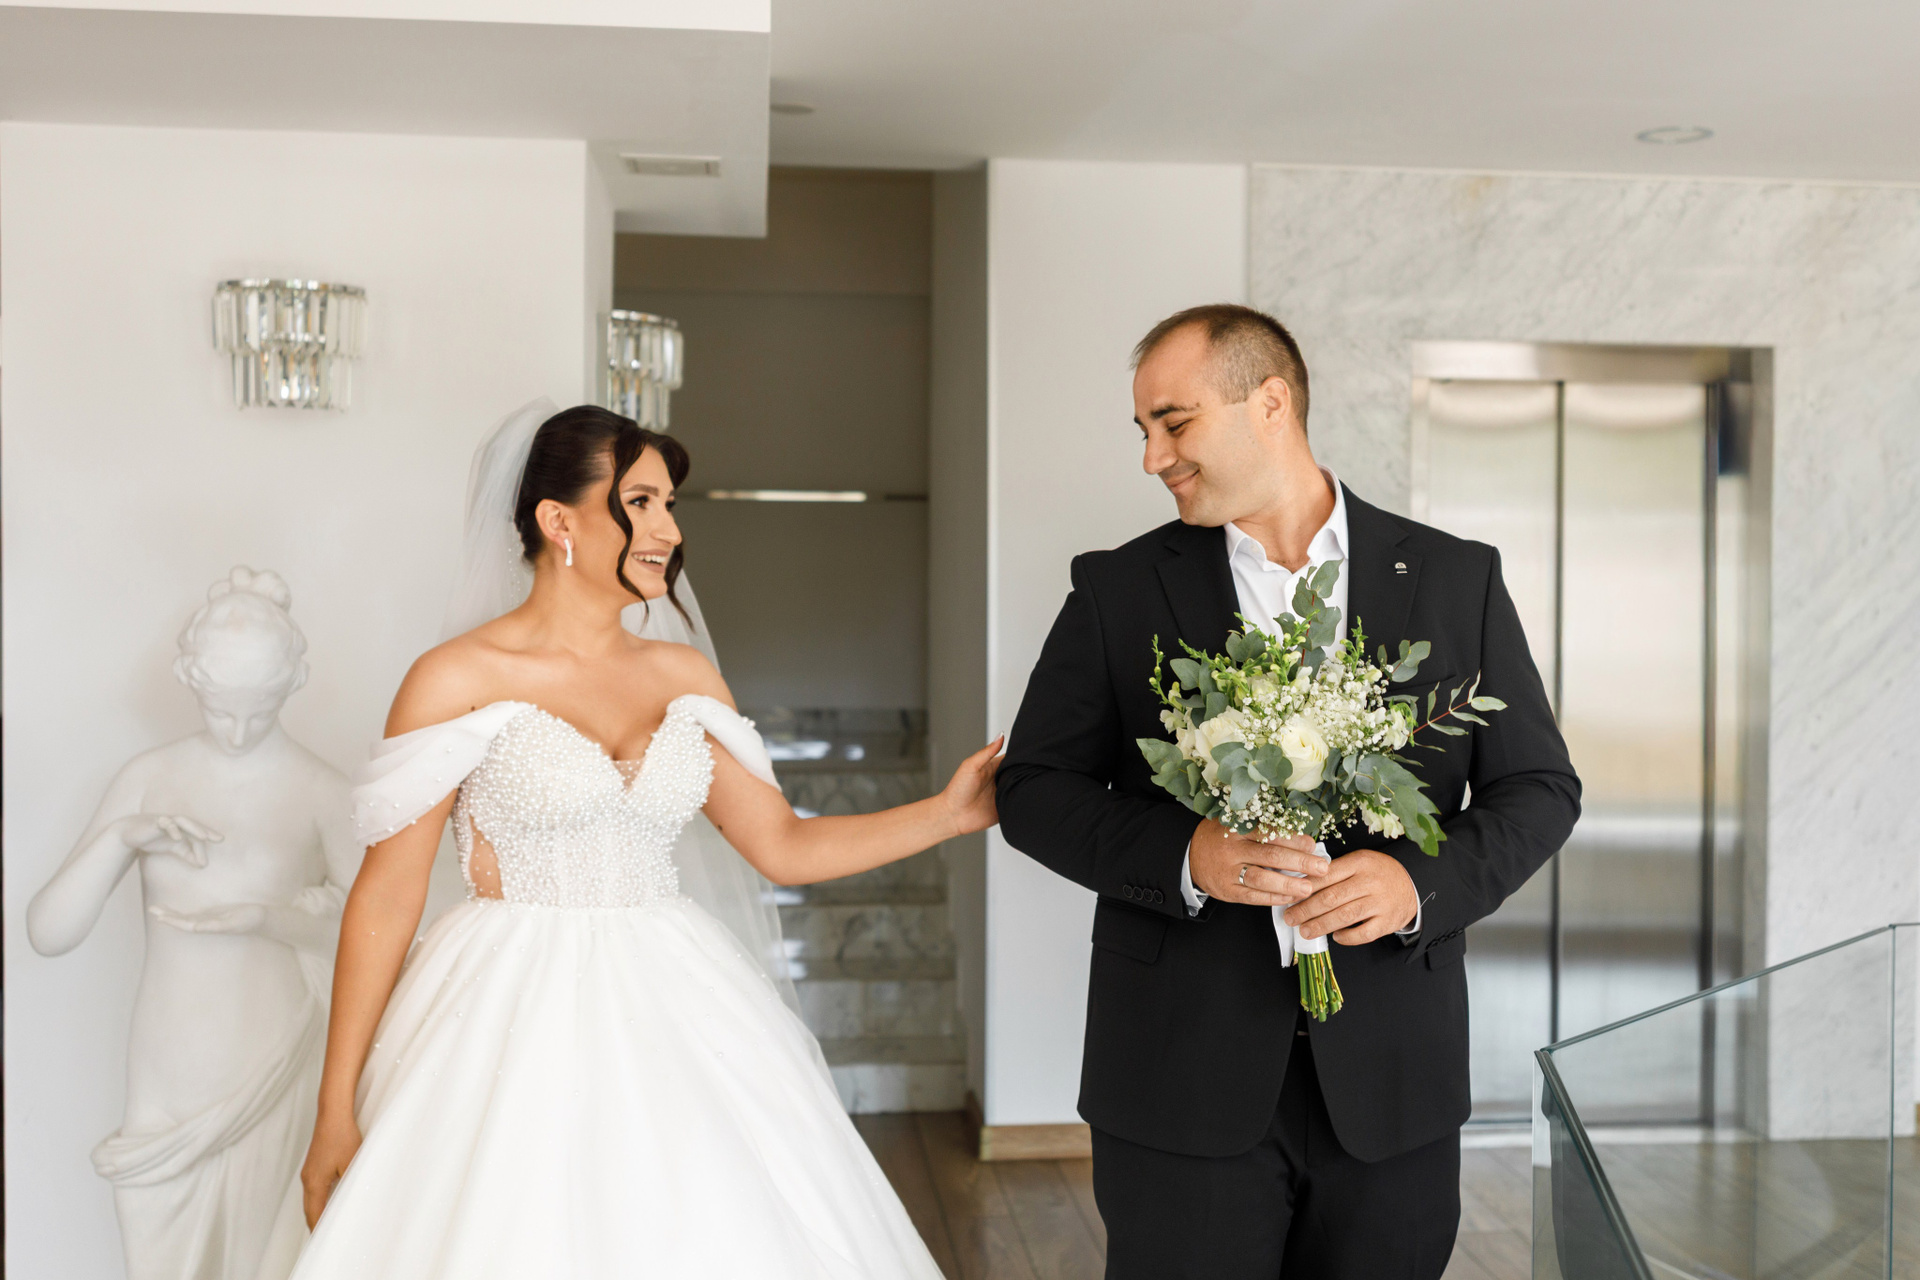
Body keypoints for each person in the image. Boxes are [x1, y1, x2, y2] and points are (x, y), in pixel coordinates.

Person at [292, 402, 1002, 1278]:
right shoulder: (458, 677)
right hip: (506, 1005)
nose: (668, 529)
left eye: (669, 504)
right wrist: (334, 1108)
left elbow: (784, 846)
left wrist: (950, 813)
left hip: (676, 992)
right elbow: (387, 895)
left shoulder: (683, 675)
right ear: (558, 522)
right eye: (640, 502)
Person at [994, 305, 1580, 1279]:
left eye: (1173, 423)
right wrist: (1189, 858)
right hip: (1178, 1076)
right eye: (1143, 430)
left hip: (1394, 1081)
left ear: (1270, 403)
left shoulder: (1457, 577)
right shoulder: (1117, 590)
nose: (1152, 457)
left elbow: (1539, 787)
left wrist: (1416, 885)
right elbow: (1032, 788)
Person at [28, 568, 359, 1280]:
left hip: (274, 1069)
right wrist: (120, 838)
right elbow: (48, 933)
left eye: (259, 713)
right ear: (188, 679)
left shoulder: (322, 792)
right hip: (166, 1085)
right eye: (219, 710)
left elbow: (378, 943)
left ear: (294, 683)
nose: (237, 732)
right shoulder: (149, 778)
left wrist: (270, 920)